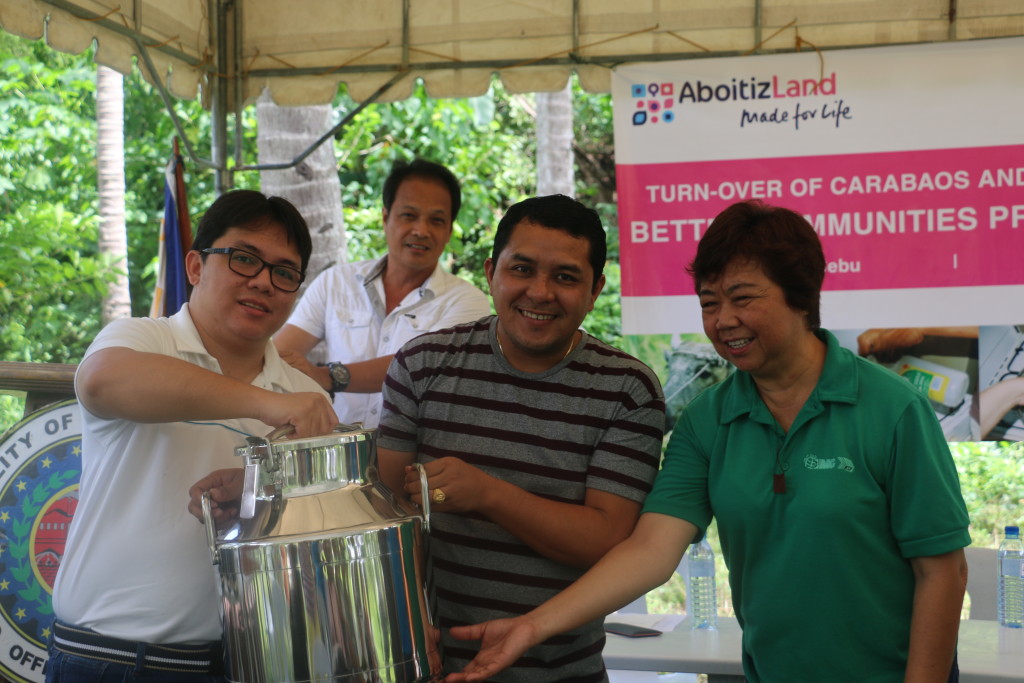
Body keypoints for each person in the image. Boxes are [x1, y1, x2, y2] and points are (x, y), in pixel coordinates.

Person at [446, 200, 971, 683]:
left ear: (801, 296)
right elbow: (651, 549)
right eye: (709, 302)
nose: (723, 322)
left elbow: (942, 570)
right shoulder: (708, 420)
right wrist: (533, 626)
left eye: (743, 299)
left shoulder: (892, 407)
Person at [364, 194, 666, 682]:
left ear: (595, 290)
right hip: (430, 665)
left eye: (565, 277)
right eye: (521, 269)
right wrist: (409, 617)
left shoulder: (626, 389)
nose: (540, 292)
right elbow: (385, 516)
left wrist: (489, 494)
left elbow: (606, 540)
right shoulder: (421, 365)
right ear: (491, 273)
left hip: (563, 672)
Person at [47, 190, 338, 683]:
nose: (263, 281)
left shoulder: (309, 399)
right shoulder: (140, 339)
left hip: (251, 663)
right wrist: (265, 403)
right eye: (244, 258)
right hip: (107, 659)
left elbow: (318, 539)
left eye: (284, 272)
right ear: (196, 266)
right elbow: (99, 381)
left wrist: (256, 497)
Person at [273, 158, 490, 428]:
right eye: (409, 215)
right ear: (385, 217)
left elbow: (420, 367)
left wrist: (327, 376)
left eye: (436, 220)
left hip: (418, 454)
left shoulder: (468, 303)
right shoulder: (335, 283)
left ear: (449, 230)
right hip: (337, 450)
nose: (421, 231)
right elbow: (279, 354)